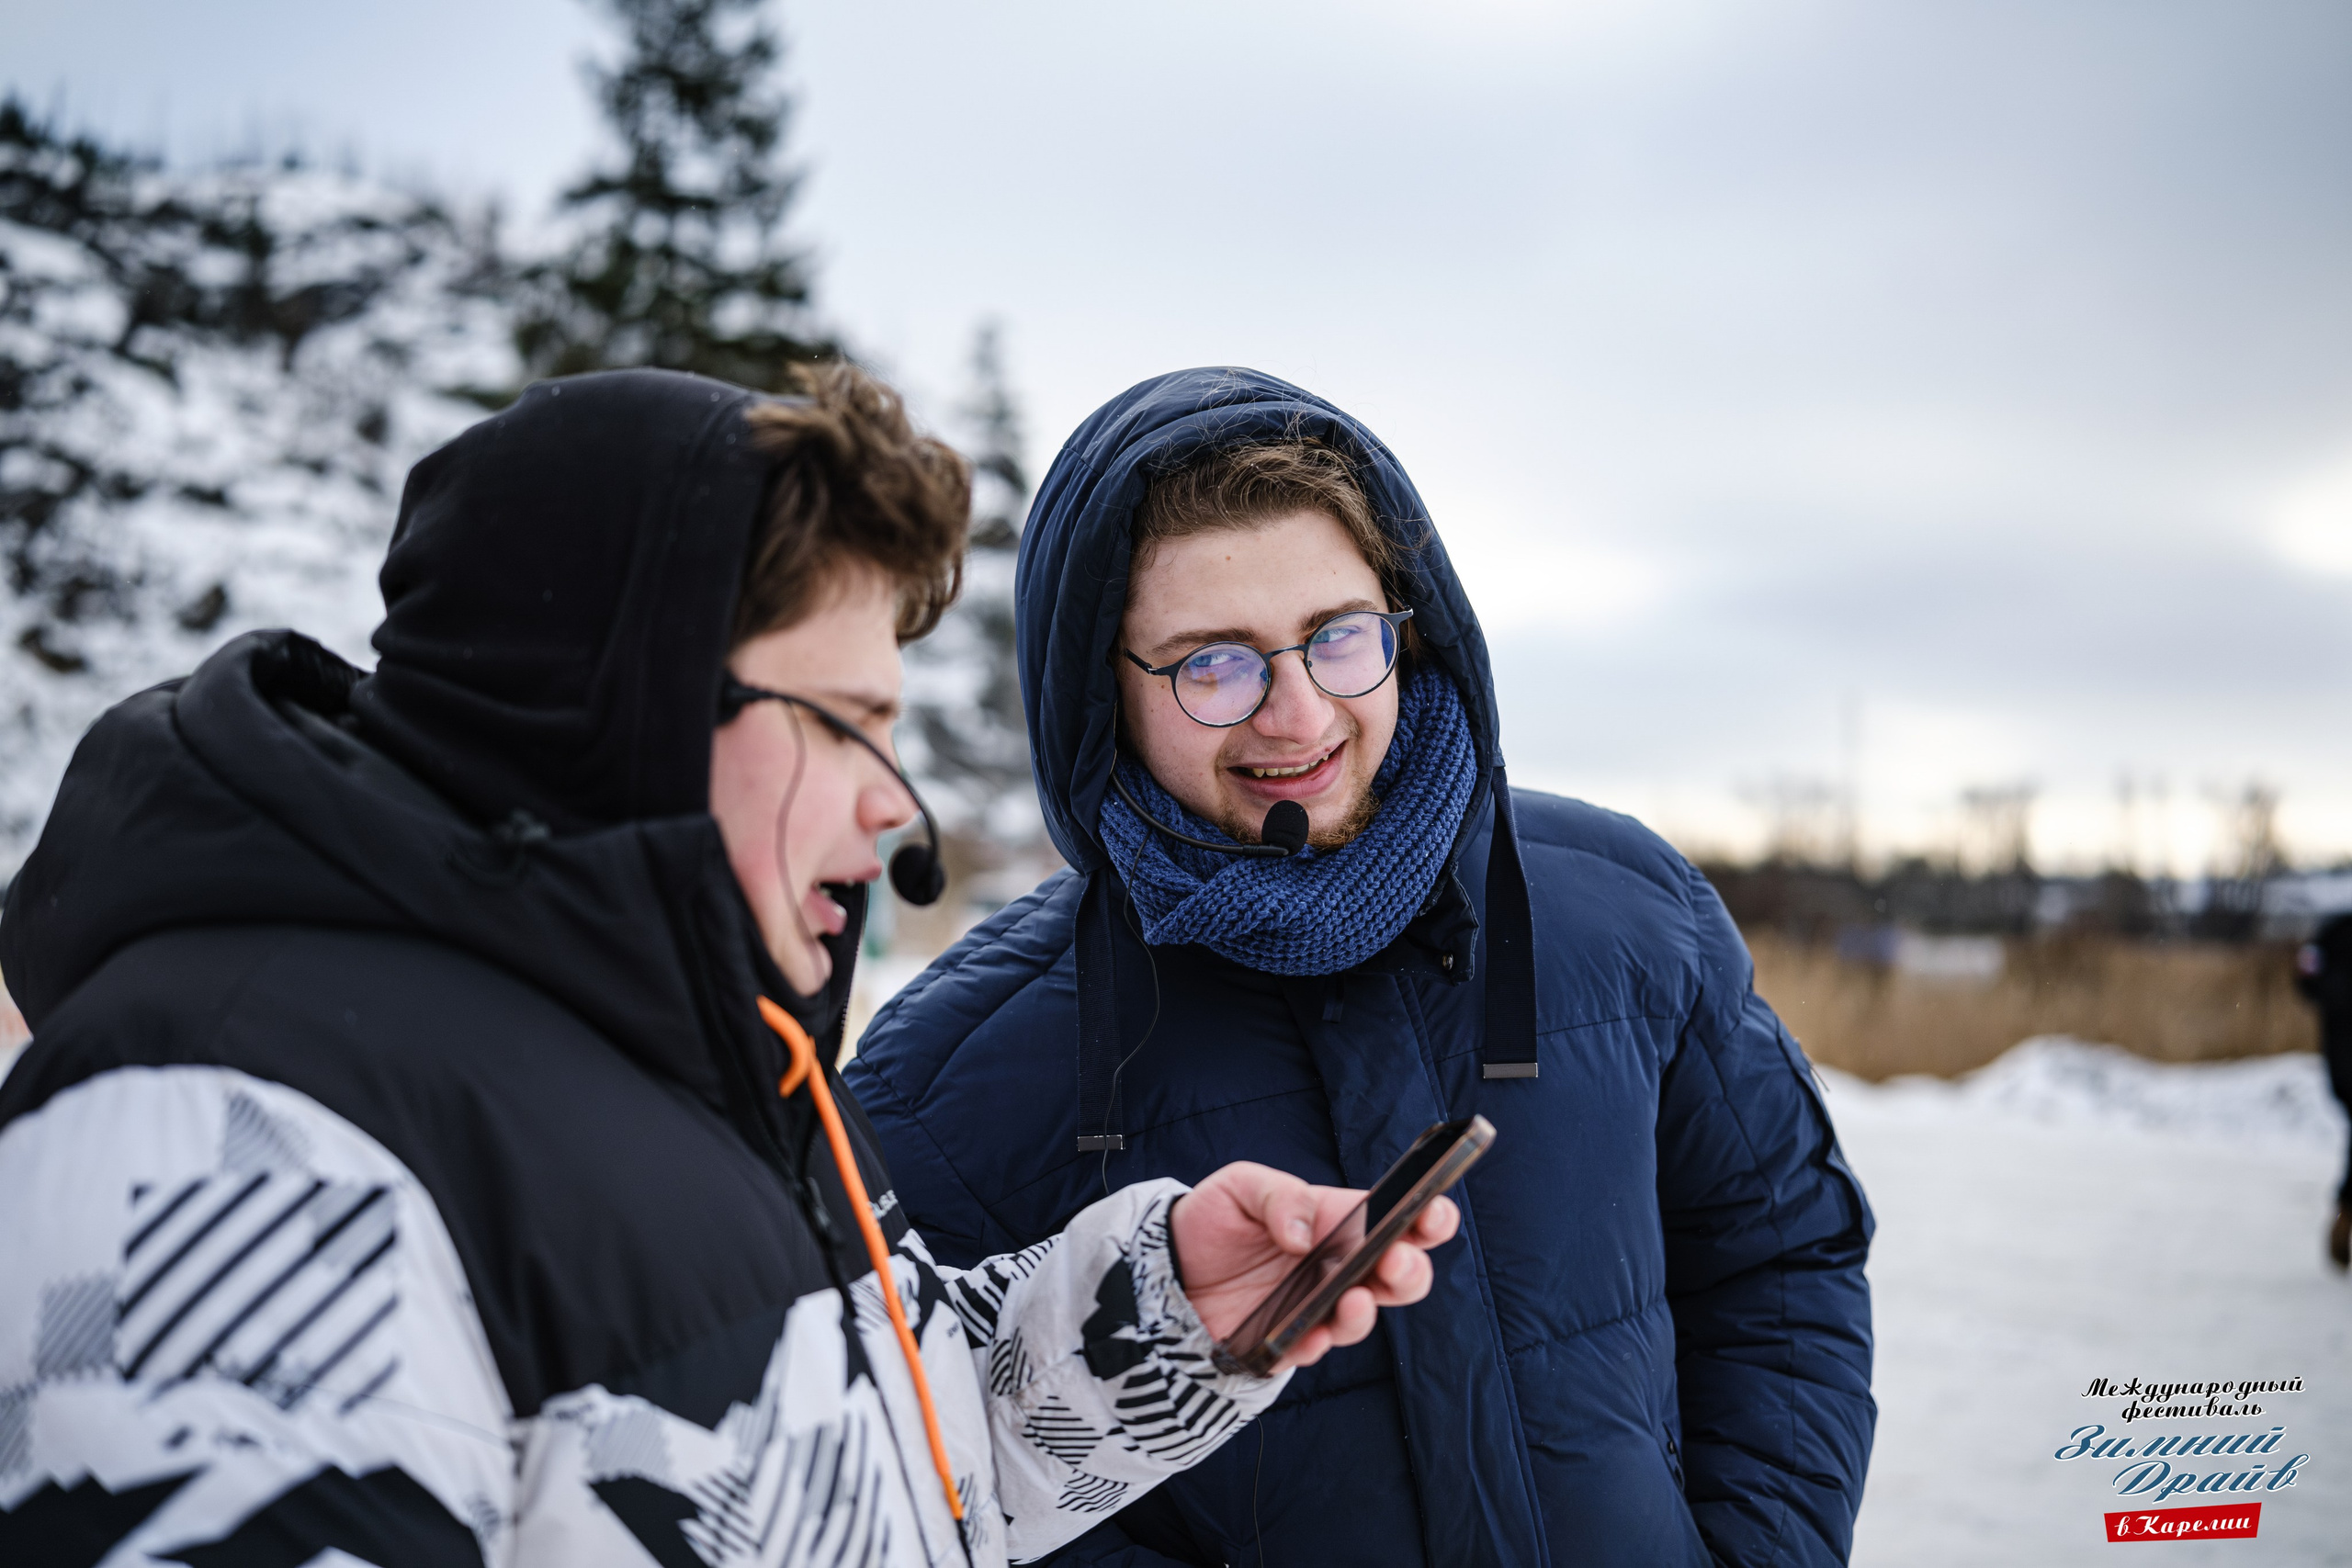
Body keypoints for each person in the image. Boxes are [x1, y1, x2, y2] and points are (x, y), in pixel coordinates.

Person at [0, 365, 1457, 1567]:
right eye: (841, 718)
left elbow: (876, 1477)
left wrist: (1158, 1317)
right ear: (616, 700)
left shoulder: (697, 1063)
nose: (895, 804)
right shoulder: (223, 1138)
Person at [849, 367, 1878, 1567]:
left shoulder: (1626, 905)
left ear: (1405, 622)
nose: (1296, 714)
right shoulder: (945, 1078)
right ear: (1096, 691)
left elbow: (1779, 1258)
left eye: (1338, 638)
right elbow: (927, 1477)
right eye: (1211, 663)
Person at [2293, 912, 2352, 1269]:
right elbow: (2304, 980)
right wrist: (2339, 995)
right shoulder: (2334, 932)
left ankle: (2344, 1217)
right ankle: (2344, 1218)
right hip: (2344, 1052)